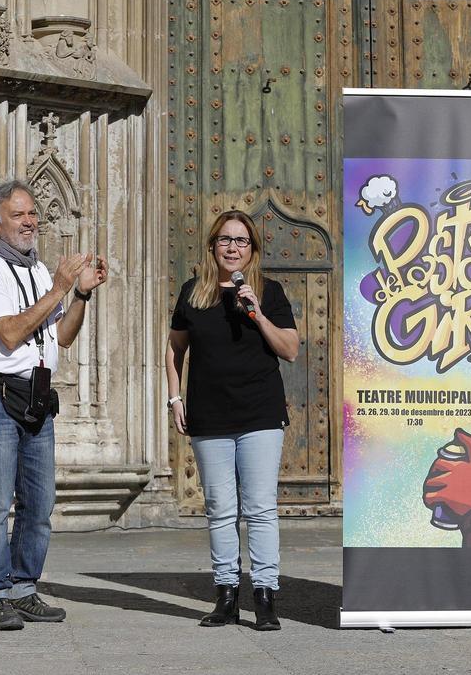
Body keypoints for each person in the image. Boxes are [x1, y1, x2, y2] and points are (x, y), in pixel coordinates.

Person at [0, 179, 106, 630]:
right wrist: (61, 287)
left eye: (34, 213)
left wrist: (79, 293)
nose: (30, 222)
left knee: (39, 502)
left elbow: (61, 335)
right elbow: (8, 333)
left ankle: (24, 588)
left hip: (38, 393)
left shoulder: (39, 270)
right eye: (20, 214)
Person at [165, 210, 299, 631]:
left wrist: (258, 315)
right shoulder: (193, 294)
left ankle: (265, 596)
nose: (232, 248)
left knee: (260, 508)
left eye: (241, 241)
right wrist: (175, 397)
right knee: (221, 509)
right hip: (210, 414)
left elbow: (290, 349)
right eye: (225, 240)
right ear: (211, 247)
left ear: (253, 250)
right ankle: (225, 595)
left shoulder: (268, 292)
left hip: (259, 412)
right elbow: (174, 351)